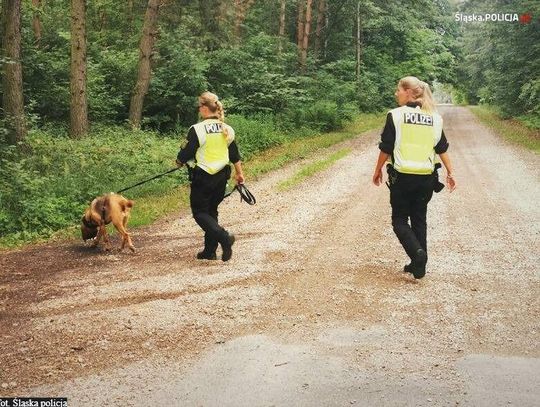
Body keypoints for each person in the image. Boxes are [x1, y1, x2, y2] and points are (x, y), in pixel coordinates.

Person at [372, 76, 456, 279]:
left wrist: (377, 170)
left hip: (402, 177)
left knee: (399, 220)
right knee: (419, 219)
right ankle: (419, 266)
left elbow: (387, 147)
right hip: (426, 178)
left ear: (409, 92)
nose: (396, 93)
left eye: (398, 90)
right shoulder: (434, 118)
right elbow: (442, 148)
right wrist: (450, 172)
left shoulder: (396, 115)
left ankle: (417, 255)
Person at [176, 91, 245, 261]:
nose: (199, 109)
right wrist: (239, 173)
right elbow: (234, 154)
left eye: (200, 106)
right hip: (222, 177)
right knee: (211, 211)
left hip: (203, 176)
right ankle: (209, 251)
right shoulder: (226, 129)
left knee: (200, 212)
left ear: (205, 108)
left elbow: (186, 153)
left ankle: (224, 237)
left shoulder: (197, 129)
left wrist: (179, 161)